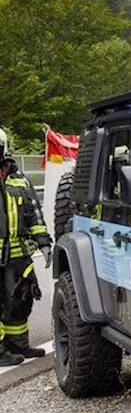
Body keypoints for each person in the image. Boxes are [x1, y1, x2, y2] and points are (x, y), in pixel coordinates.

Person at [0, 127, 52, 366]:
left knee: (20, 301)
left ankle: (19, 346)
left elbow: (35, 215)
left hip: (18, 256)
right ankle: (1, 352)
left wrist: (44, 244)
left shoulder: (19, 178)